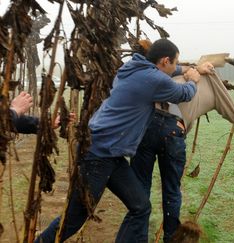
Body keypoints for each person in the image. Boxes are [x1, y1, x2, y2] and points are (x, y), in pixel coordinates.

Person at [35, 38, 201, 243]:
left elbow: (162, 74)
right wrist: (193, 79)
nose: (176, 67)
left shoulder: (133, 68)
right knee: (75, 218)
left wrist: (183, 69)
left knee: (140, 206)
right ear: (165, 61)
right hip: (97, 154)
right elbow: (183, 93)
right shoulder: (153, 80)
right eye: (175, 63)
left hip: (111, 154)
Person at [130, 65, 234, 241]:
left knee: (140, 188)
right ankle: (170, 238)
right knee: (171, 191)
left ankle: (136, 237)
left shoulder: (172, 72)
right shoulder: (211, 82)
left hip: (146, 126)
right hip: (173, 131)